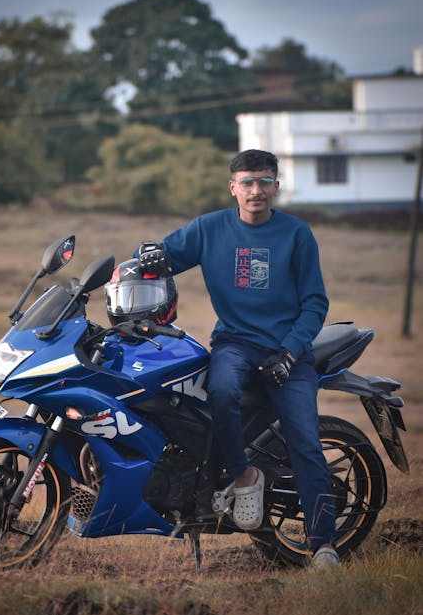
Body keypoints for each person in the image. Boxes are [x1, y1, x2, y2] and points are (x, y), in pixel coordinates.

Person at [137, 149, 339, 567]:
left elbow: (316, 304)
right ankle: (244, 478)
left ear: (276, 187)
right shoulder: (210, 229)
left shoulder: (297, 235)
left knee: (304, 441)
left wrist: (289, 351)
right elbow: (163, 257)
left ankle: (323, 546)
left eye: (265, 181)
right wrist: (143, 263)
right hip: (235, 343)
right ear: (233, 188)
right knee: (221, 390)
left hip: (289, 352)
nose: (256, 190)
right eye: (247, 182)